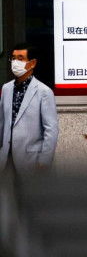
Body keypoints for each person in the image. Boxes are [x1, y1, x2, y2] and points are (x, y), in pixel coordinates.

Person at [0, 43, 59, 174]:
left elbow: (51, 129)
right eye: (13, 58)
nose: (15, 62)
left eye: (20, 59)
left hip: (31, 159)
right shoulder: (6, 88)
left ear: (32, 63)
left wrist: (45, 160)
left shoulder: (44, 91)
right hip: (6, 159)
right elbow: (2, 123)